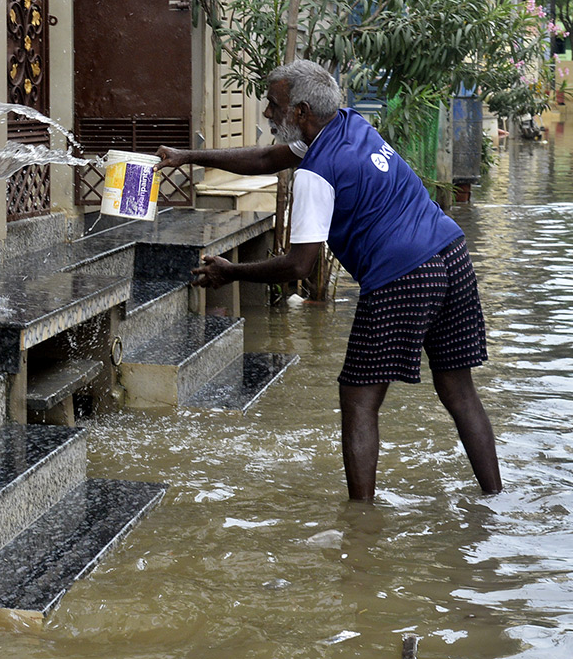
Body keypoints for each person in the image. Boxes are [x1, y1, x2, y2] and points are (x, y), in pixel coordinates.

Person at [155, 59, 502, 502]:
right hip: (452, 255)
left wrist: (231, 272)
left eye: (273, 104)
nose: (265, 112)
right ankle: (494, 498)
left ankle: (360, 524)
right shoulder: (349, 125)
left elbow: (300, 266)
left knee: (358, 399)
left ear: (300, 111)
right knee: (458, 389)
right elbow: (265, 158)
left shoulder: (317, 174)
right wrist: (188, 158)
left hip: (404, 276)